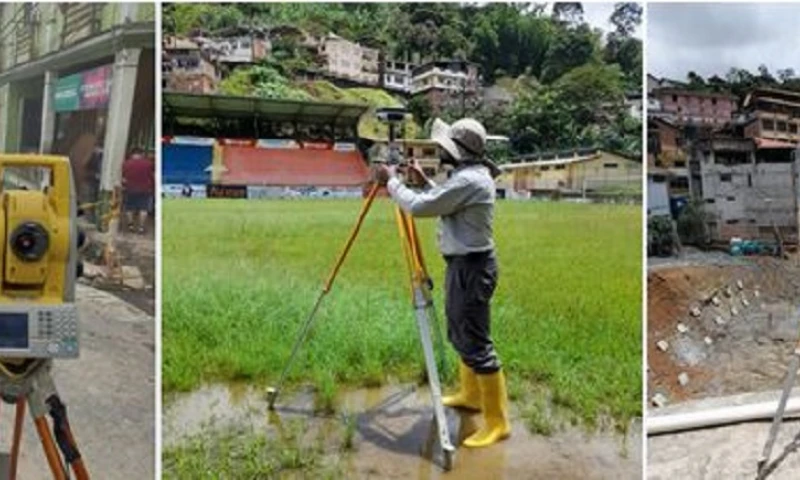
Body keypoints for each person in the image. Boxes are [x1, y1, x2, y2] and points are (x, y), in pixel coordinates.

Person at [372, 118, 509, 448]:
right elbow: (447, 200)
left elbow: (420, 208)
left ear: (458, 150)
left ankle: (497, 422)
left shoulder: (470, 180)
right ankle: (470, 396)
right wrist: (424, 180)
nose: (441, 150)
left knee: (476, 342)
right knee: (460, 332)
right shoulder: (467, 179)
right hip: (464, 266)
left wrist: (391, 183)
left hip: (472, 268)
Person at [121, 147, 154, 234]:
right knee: (143, 209)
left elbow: (123, 178)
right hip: (145, 189)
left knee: (129, 208)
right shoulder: (148, 163)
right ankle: (141, 228)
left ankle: (130, 226)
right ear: (142, 154)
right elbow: (152, 176)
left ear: (132, 154)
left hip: (130, 189)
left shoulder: (126, 163)